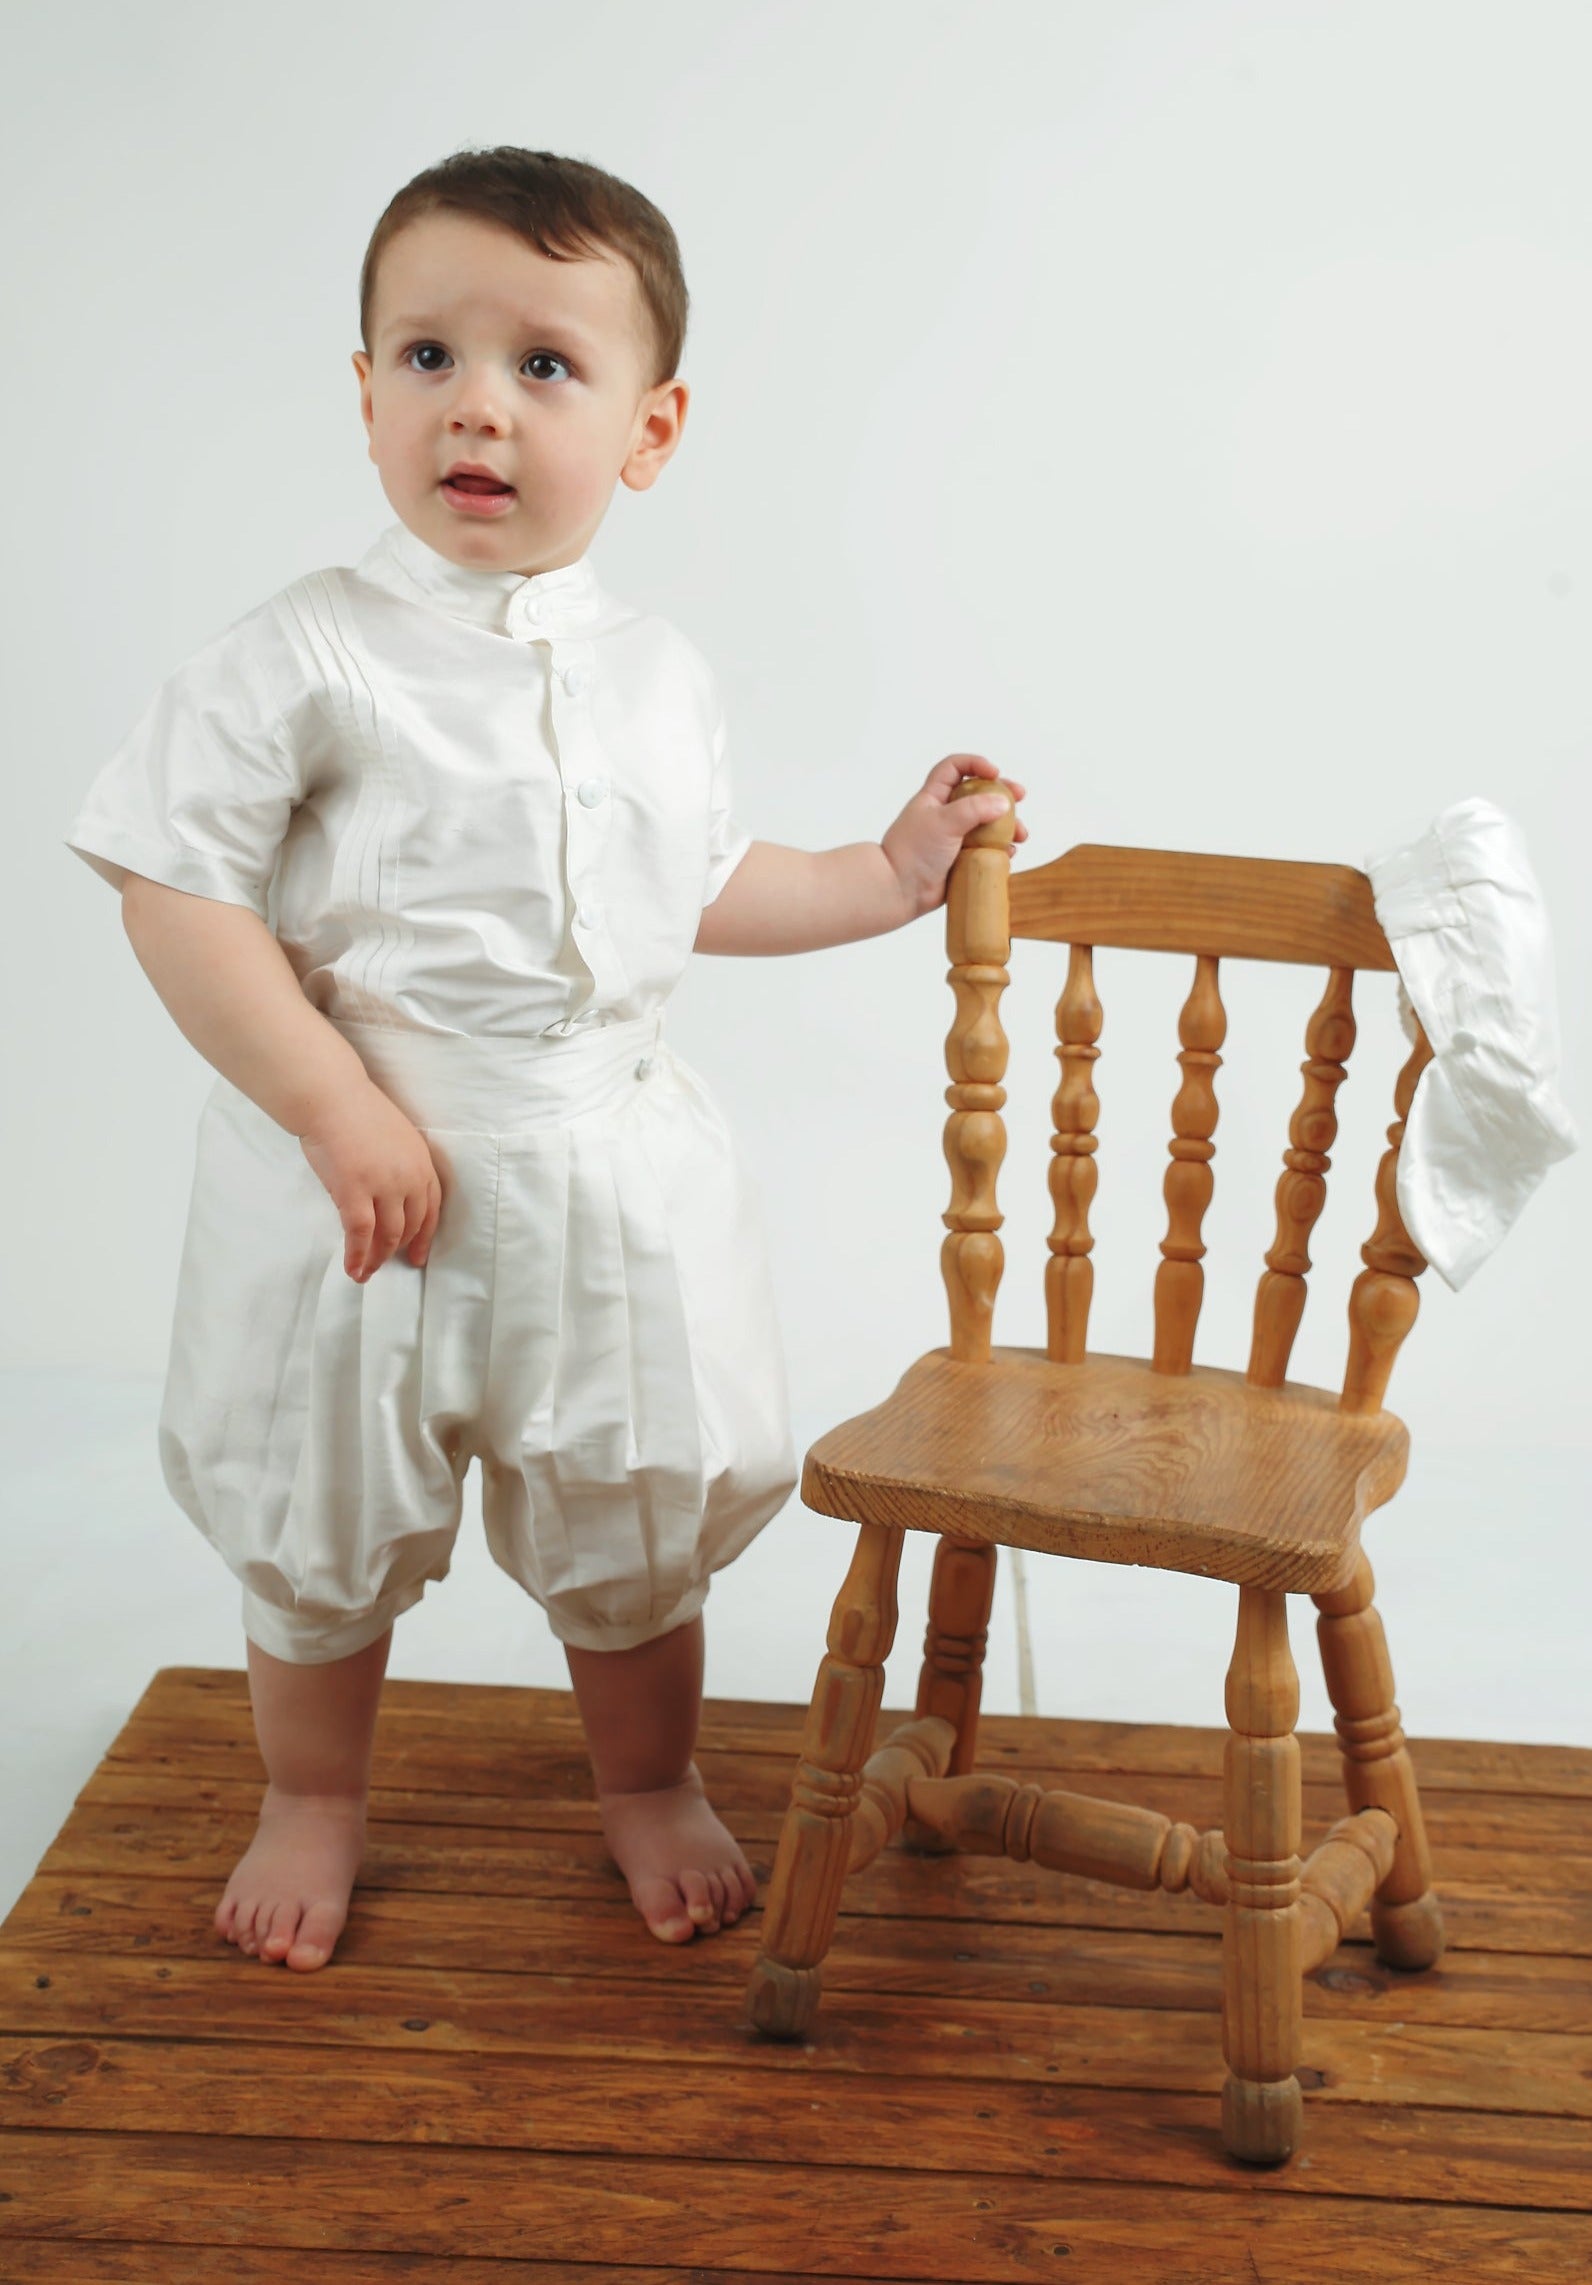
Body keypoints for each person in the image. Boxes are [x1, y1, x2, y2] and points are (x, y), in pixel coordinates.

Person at [63, 145, 1028, 1974]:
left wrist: (884, 876)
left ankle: (643, 1779)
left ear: (652, 430)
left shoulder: (659, 673)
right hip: (363, 1184)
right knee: (322, 1508)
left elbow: (696, 883)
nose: (478, 407)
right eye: (425, 357)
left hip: (600, 1167)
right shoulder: (310, 657)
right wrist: (335, 1103)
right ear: (362, 397)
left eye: (545, 367)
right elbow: (177, 890)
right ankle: (316, 1795)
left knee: (631, 1495)